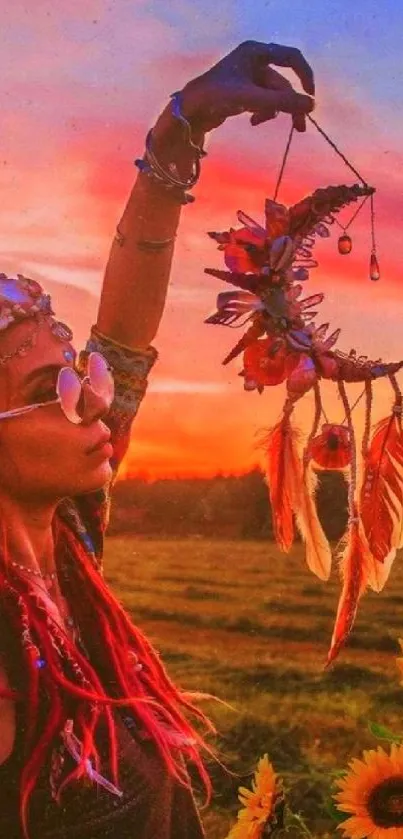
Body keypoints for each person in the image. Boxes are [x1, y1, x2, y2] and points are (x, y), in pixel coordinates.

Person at [0, 41, 314, 839]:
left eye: (80, 374)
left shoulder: (68, 541)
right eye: (53, 393)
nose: (97, 404)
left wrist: (179, 133)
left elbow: (124, 336)